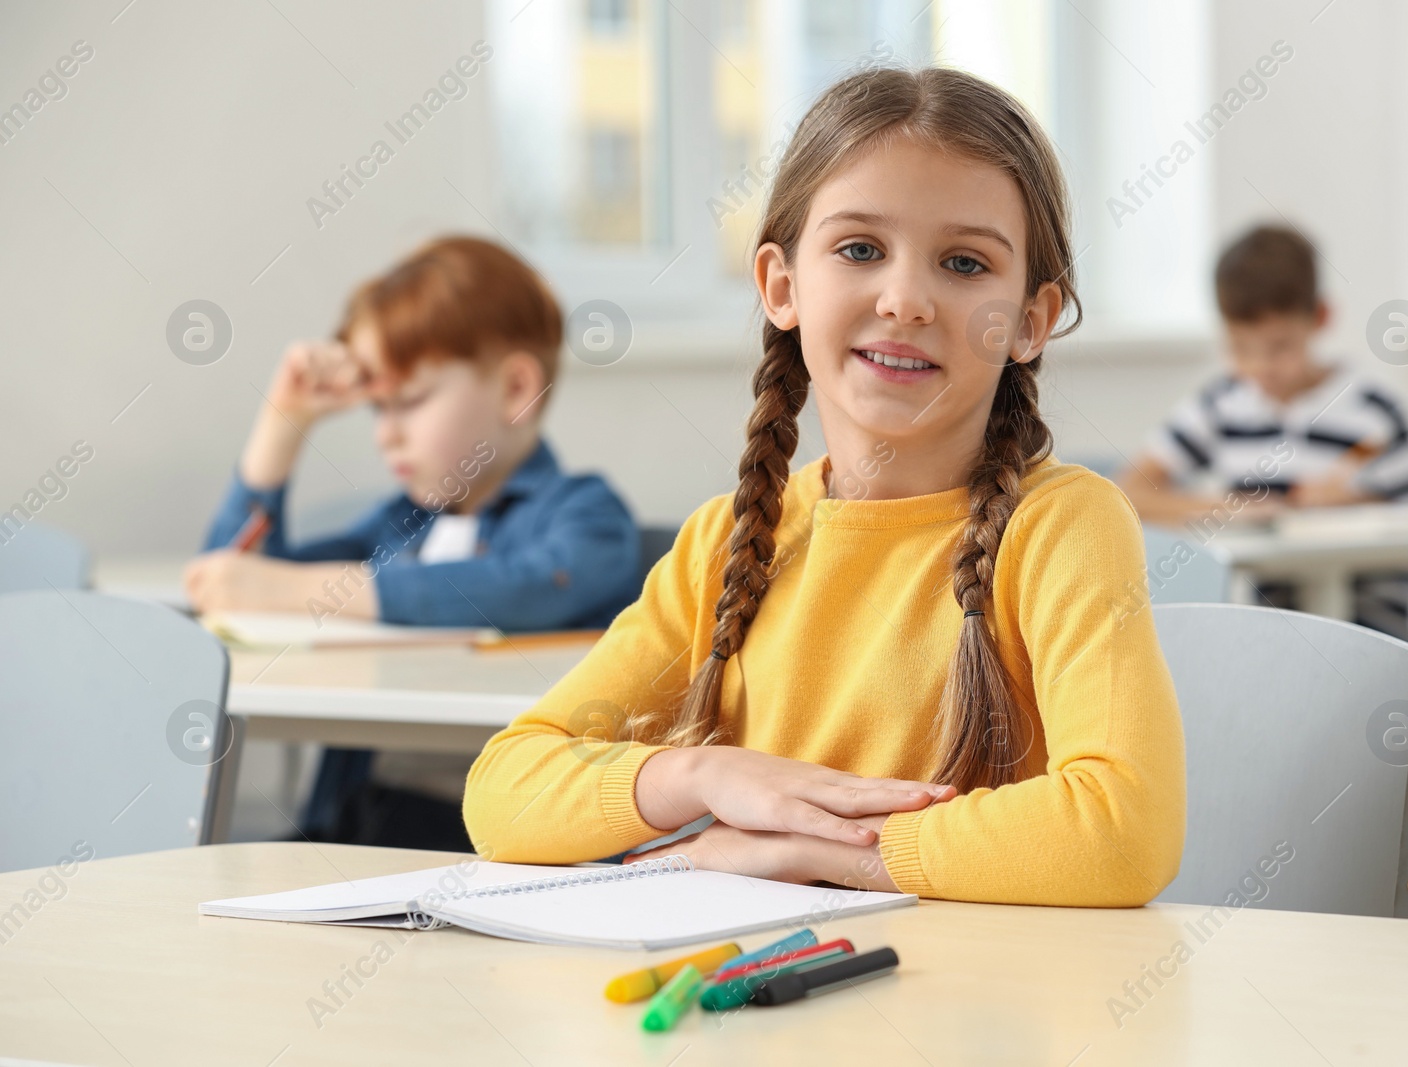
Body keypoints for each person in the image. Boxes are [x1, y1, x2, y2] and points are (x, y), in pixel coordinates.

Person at [463, 67, 1186, 907]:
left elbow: (1123, 833)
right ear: (781, 286)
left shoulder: (1065, 525)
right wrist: (704, 775)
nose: (906, 299)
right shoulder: (726, 542)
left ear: (1031, 320)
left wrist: (824, 852)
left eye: (963, 262)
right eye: (860, 250)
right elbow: (504, 789)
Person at [188, 235, 642, 846]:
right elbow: (233, 581)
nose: (385, 436)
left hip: (513, 846)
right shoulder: (401, 525)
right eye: (377, 410)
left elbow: (524, 588)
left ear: (514, 390)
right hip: (357, 825)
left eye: (409, 402)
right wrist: (283, 423)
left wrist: (309, 589)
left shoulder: (588, 515)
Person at [1116, 224, 1408, 636]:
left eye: (1280, 347)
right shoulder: (1221, 406)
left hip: (1375, 632)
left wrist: (1358, 503)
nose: (1261, 367)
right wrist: (1229, 508)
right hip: (1276, 634)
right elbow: (1130, 494)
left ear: (1319, 318)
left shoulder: (1374, 412)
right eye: (1241, 349)